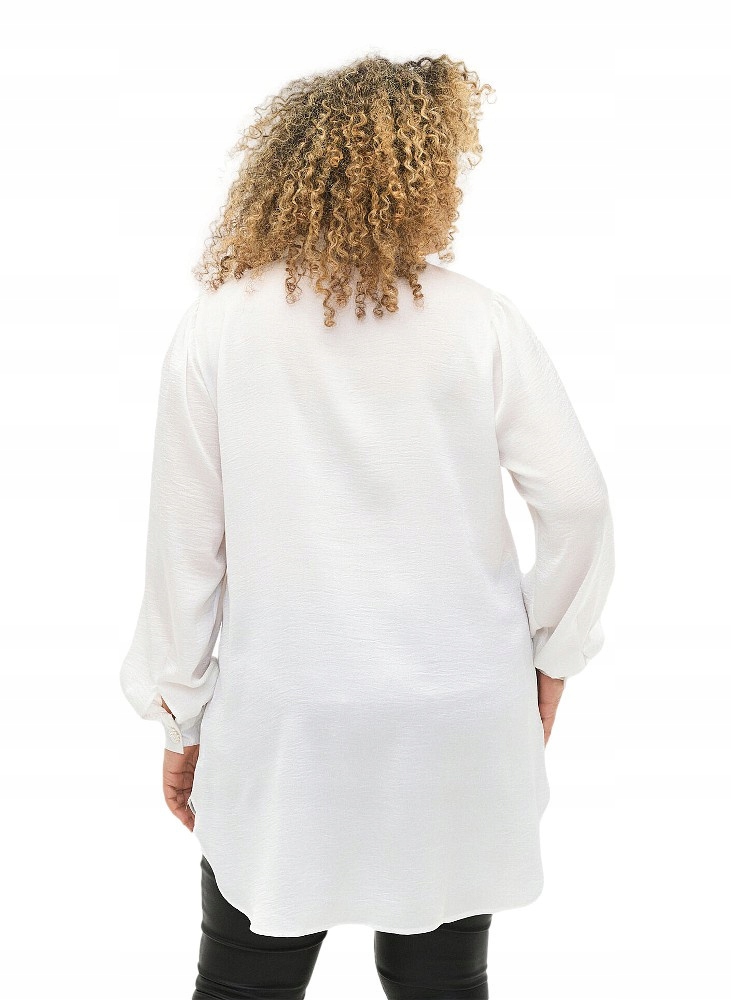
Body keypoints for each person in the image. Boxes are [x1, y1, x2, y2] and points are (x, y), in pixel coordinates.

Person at [119, 52, 615, 1000]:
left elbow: (184, 551)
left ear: (285, 164)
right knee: (441, 985)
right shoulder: (479, 320)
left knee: (244, 984)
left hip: (287, 717)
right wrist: (552, 654)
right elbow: (579, 504)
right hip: (459, 709)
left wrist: (180, 716)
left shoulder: (220, 324)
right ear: (426, 174)